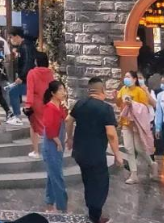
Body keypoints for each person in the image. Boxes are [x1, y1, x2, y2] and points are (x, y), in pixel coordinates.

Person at [66, 76, 124, 223]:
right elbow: (111, 134)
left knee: (88, 180)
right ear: (102, 90)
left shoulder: (80, 104)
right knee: (100, 184)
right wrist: (117, 154)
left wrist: (69, 138)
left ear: (89, 90)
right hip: (96, 153)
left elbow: (68, 120)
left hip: (80, 152)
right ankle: (95, 216)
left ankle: (92, 212)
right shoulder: (106, 109)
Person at [117, 70, 156, 184]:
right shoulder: (123, 89)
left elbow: (144, 108)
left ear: (134, 79)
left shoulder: (139, 91)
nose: (126, 79)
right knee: (128, 148)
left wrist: (132, 104)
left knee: (139, 148)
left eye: (128, 77)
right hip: (126, 123)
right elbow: (119, 104)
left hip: (136, 124)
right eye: (125, 76)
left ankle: (152, 164)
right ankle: (133, 174)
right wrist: (116, 97)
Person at [41, 80, 68, 214]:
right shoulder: (49, 107)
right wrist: (58, 142)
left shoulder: (60, 106)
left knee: (52, 176)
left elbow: (65, 119)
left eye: (64, 89)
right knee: (57, 176)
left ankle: (49, 204)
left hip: (58, 143)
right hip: (52, 145)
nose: (63, 92)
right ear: (53, 93)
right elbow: (49, 128)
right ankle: (62, 207)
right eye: (60, 90)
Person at [25, 53, 55, 159]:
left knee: (34, 127)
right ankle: (50, 150)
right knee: (48, 125)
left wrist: (28, 104)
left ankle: (36, 151)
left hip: (36, 102)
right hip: (48, 101)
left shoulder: (32, 73)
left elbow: (30, 90)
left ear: (36, 61)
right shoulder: (50, 73)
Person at [7, 27, 36, 126]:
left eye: (11, 37)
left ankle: (17, 116)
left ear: (17, 36)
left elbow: (27, 63)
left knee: (13, 92)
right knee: (14, 92)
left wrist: (22, 77)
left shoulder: (25, 47)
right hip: (27, 77)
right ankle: (18, 116)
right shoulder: (24, 46)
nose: (11, 40)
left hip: (28, 78)